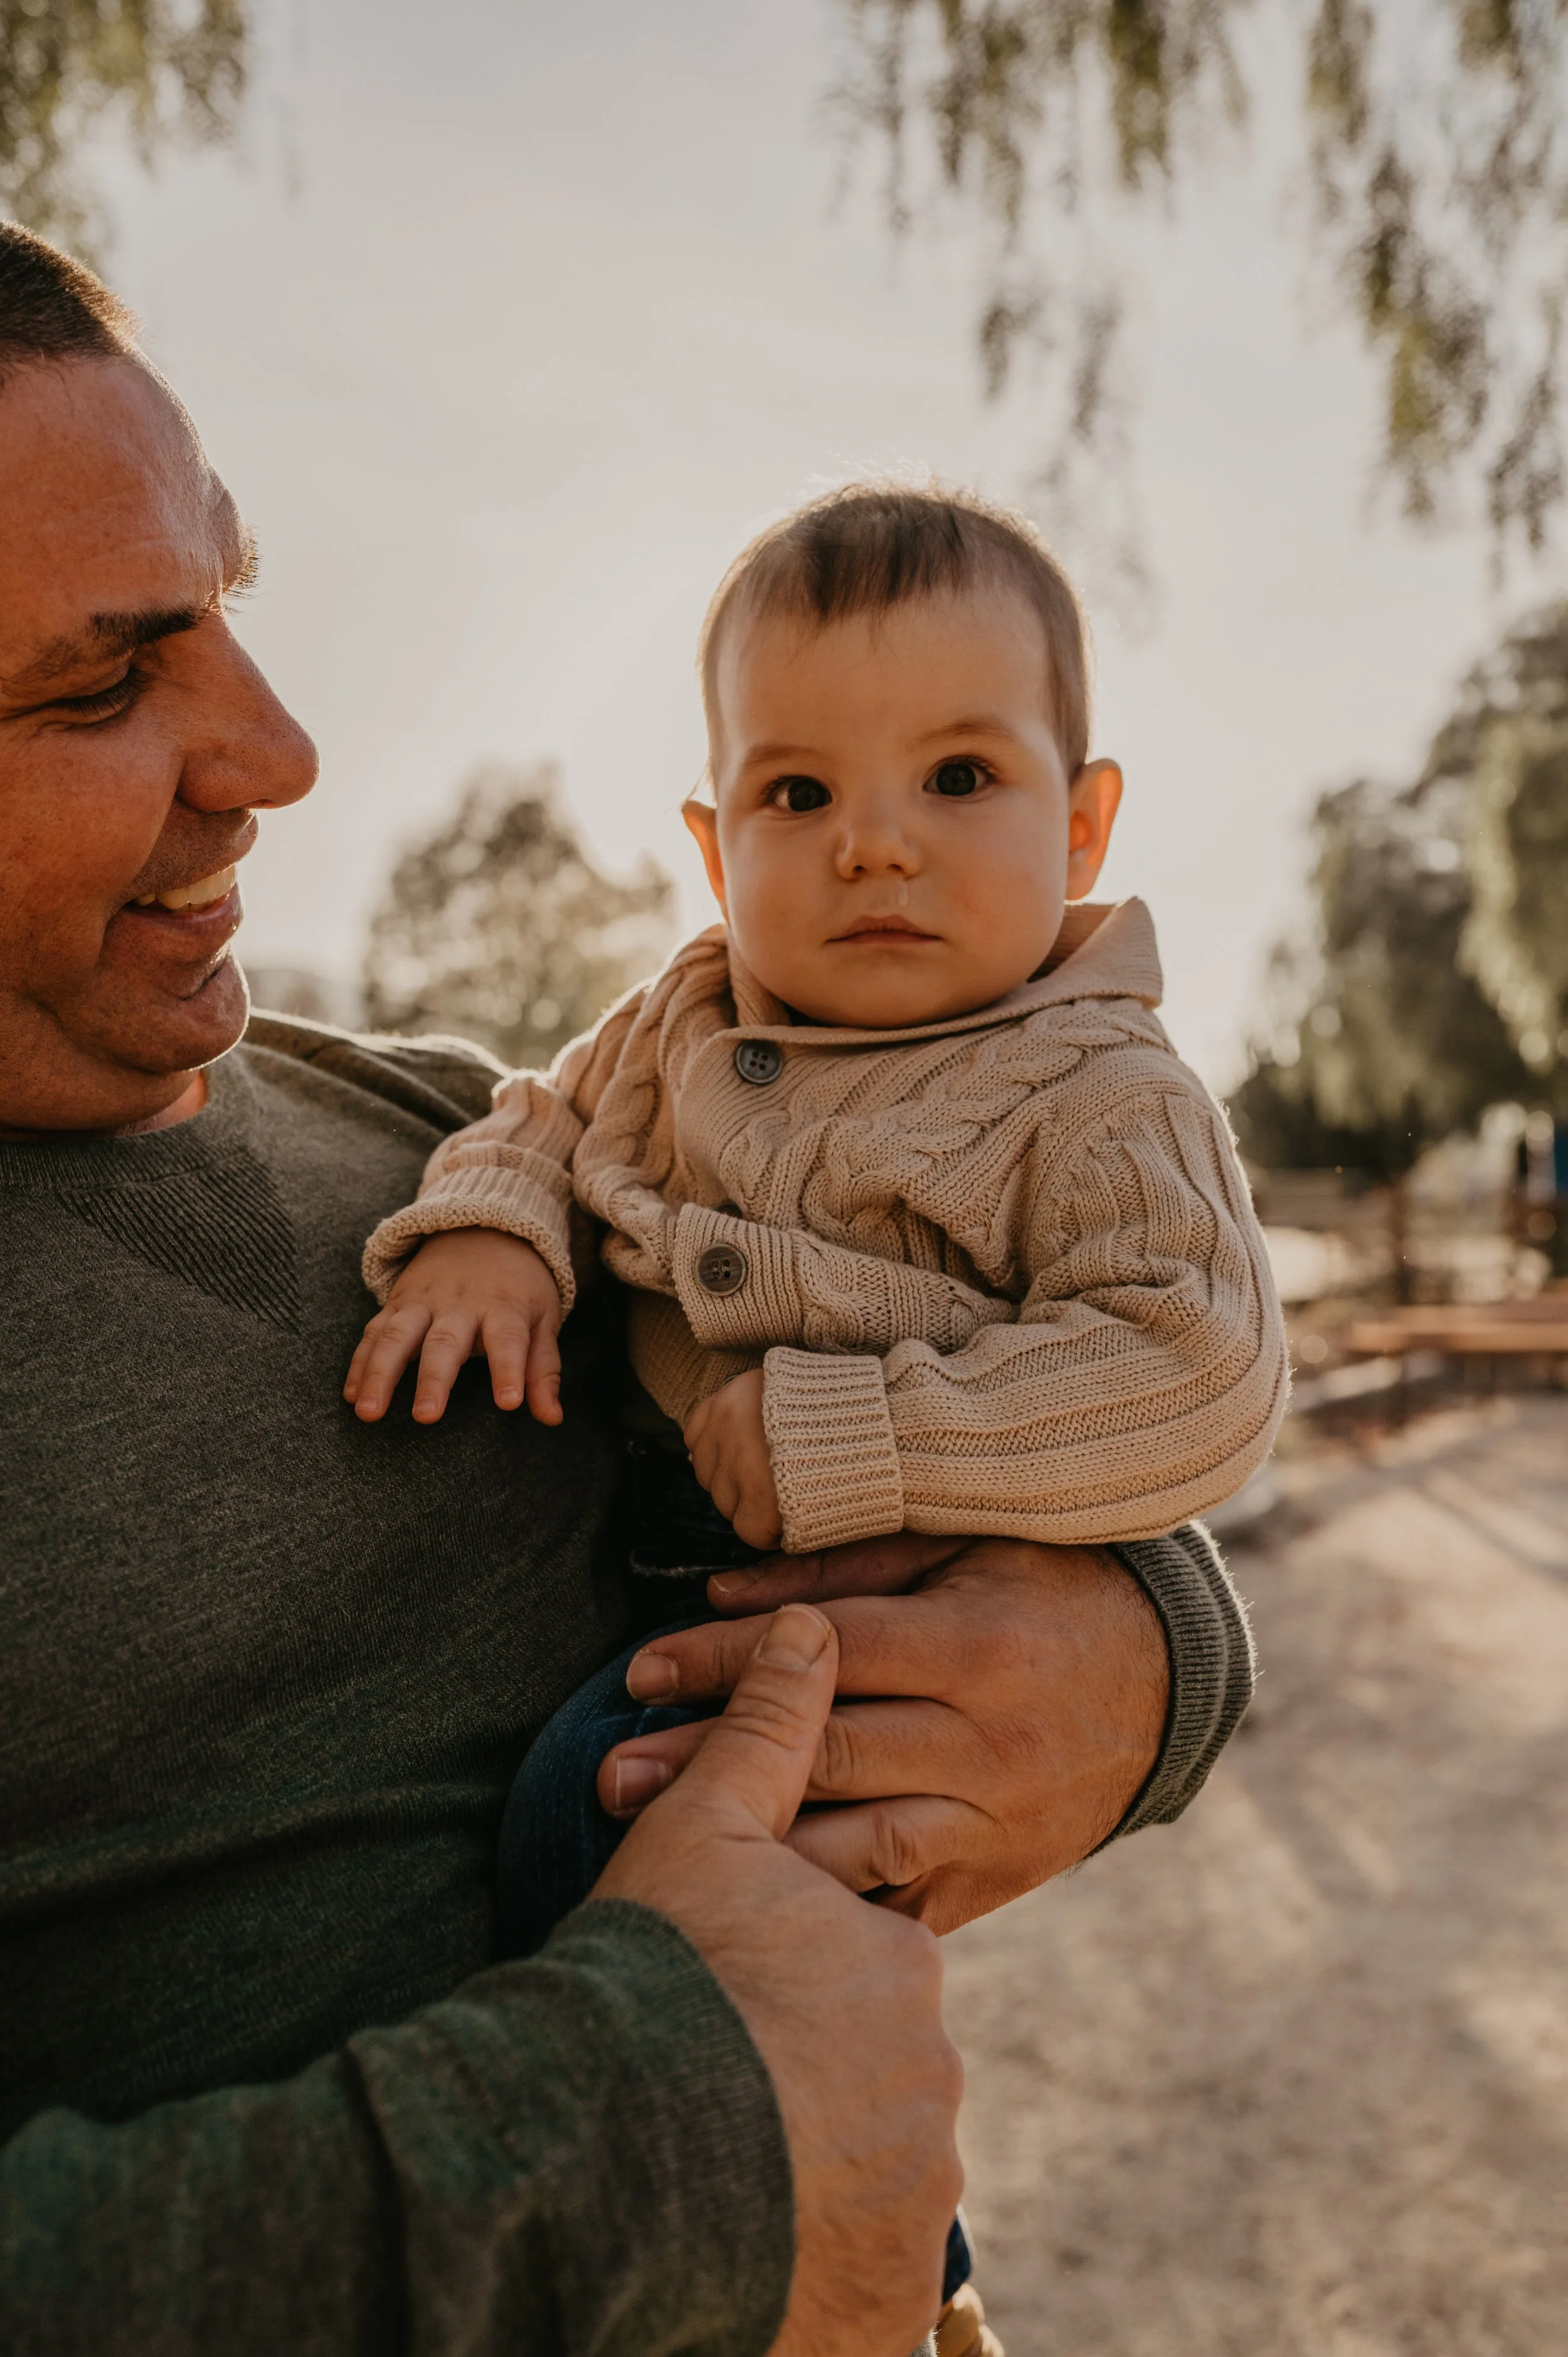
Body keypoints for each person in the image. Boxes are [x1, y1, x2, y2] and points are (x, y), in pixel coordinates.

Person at [0, 218, 1249, 2357]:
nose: (282, 751)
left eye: (232, 610)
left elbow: (1149, 1381)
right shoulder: (660, 1050)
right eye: (108, 679)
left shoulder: (409, 1113)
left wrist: (1144, 1649)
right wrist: (670, 2136)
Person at [349, 486, 1289, 2346]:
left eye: (958, 776)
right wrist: (491, 1233)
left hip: (869, 1603)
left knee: (610, 1836)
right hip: (665, 1572)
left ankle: (888, 2288)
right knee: (700, 1912)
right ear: (713, 847)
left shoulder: (1095, 1092)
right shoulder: (681, 1018)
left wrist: (865, 1434)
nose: (873, 842)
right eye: (797, 794)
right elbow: (543, 1117)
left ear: (1082, 823)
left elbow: (1195, 1367)